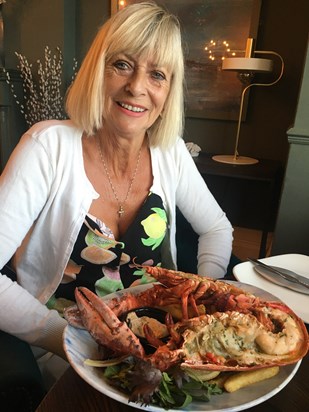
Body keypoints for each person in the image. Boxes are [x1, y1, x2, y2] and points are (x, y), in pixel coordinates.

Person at [0, 1, 233, 368]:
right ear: (97, 70)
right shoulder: (47, 146)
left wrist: (200, 302)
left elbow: (217, 228)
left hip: (159, 341)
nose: (137, 86)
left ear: (169, 89)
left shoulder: (169, 151)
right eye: (122, 64)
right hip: (65, 346)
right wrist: (64, 340)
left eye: (157, 74)